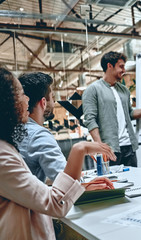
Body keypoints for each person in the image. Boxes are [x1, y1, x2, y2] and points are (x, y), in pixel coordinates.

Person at [0, 68, 116, 239]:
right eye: (19, 94)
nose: (26, 99)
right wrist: (79, 149)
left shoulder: (7, 145)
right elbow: (57, 203)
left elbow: (27, 188)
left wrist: (80, 187)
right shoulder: (4, 156)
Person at [83, 51, 141, 167]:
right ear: (109, 66)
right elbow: (90, 120)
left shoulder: (124, 90)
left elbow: (130, 114)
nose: (124, 70)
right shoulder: (93, 90)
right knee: (113, 184)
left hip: (129, 147)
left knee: (135, 182)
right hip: (110, 149)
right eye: (121, 66)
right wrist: (100, 146)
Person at [18, 72, 66, 182]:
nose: (54, 102)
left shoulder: (14, 130)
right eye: (52, 97)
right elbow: (66, 181)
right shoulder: (38, 135)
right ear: (43, 103)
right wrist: (81, 150)